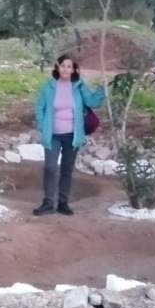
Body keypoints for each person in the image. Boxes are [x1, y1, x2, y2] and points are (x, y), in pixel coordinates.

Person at [32, 54, 105, 216]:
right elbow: (39, 107)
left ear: (74, 70)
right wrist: (42, 125)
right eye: (63, 66)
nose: (66, 69)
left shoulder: (78, 86)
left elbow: (93, 102)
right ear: (57, 67)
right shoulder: (49, 87)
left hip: (73, 135)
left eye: (69, 66)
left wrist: (102, 89)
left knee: (67, 169)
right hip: (53, 135)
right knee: (50, 167)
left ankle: (63, 203)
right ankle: (48, 202)